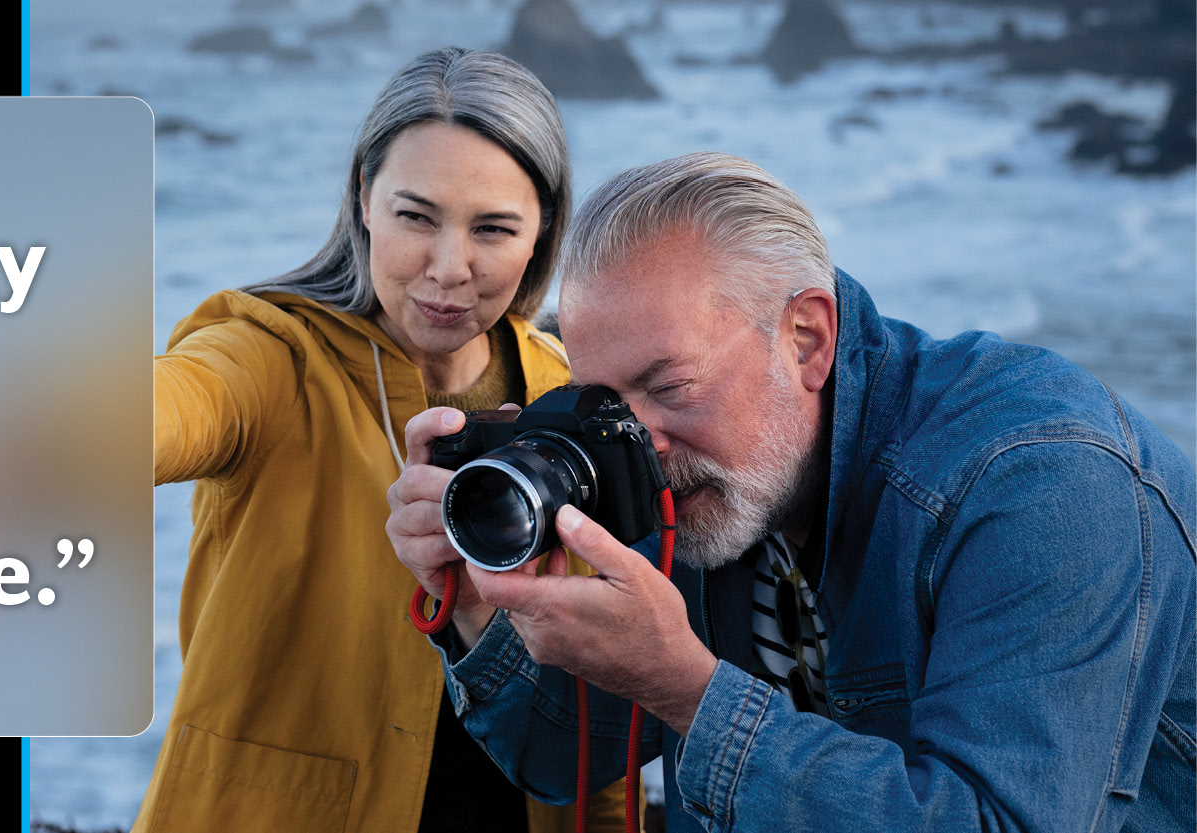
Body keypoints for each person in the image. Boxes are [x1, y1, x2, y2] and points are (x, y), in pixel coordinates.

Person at [386, 151, 1196, 831]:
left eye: (670, 385)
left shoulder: (1038, 481)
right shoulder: (717, 479)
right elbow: (566, 755)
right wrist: (478, 603)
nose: (642, 444)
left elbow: (995, 818)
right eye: (605, 404)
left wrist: (687, 688)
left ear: (806, 337)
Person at [140, 48, 638, 833]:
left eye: (494, 228)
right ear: (363, 197)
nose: (448, 268)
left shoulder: (569, 393)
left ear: (542, 231)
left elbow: (608, 695)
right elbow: (174, 405)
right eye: (415, 216)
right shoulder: (272, 355)